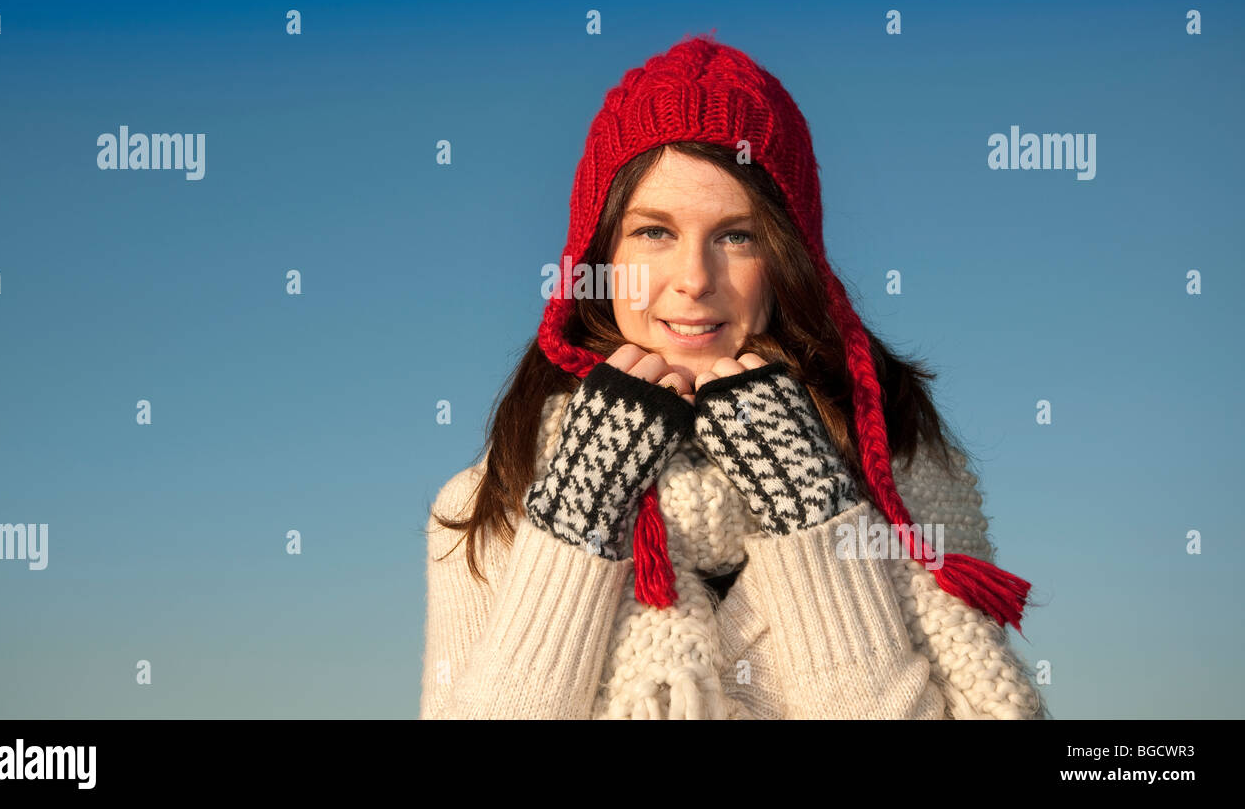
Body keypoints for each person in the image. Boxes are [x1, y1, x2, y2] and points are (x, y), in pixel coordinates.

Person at [420, 35, 1049, 719]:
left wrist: (812, 517)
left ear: (788, 260)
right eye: (654, 232)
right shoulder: (491, 501)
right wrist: (576, 522)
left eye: (736, 236)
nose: (693, 280)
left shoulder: (902, 478)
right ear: (599, 252)